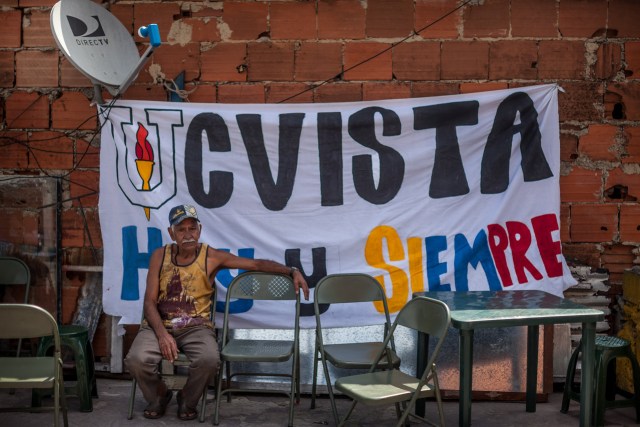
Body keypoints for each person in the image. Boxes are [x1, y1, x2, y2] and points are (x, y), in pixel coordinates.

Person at [125, 204, 309, 421]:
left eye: (192, 229)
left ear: (199, 230)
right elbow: (149, 302)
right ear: (171, 233)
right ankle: (159, 394)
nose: (188, 235)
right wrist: (162, 335)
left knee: (210, 359)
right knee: (136, 359)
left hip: (196, 327)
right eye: (181, 229)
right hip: (159, 325)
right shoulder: (160, 256)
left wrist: (292, 270)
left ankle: (187, 398)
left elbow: (256, 263)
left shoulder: (211, 257)